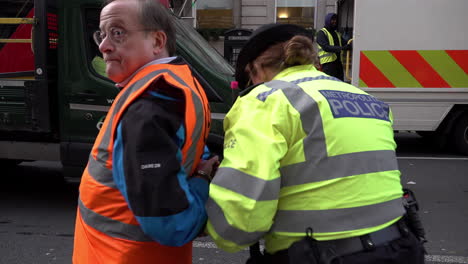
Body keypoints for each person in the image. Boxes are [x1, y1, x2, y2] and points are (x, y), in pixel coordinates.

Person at [200, 23, 426, 264]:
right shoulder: (365, 98)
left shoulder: (265, 100)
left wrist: (203, 209)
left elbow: (240, 223)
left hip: (321, 256)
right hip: (401, 247)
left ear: (255, 69)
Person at [72, 0, 211, 263]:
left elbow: (171, 224)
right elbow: (190, 151)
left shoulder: (152, 102)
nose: (103, 46)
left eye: (118, 33)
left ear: (157, 41)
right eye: (102, 34)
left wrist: (202, 181)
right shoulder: (177, 83)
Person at [317, 13, 351, 81]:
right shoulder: (322, 33)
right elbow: (326, 47)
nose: (334, 21)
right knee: (329, 85)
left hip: (338, 64)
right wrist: (342, 48)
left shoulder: (337, 33)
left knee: (340, 84)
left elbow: (345, 43)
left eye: (335, 20)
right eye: (332, 19)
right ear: (328, 20)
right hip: (328, 65)